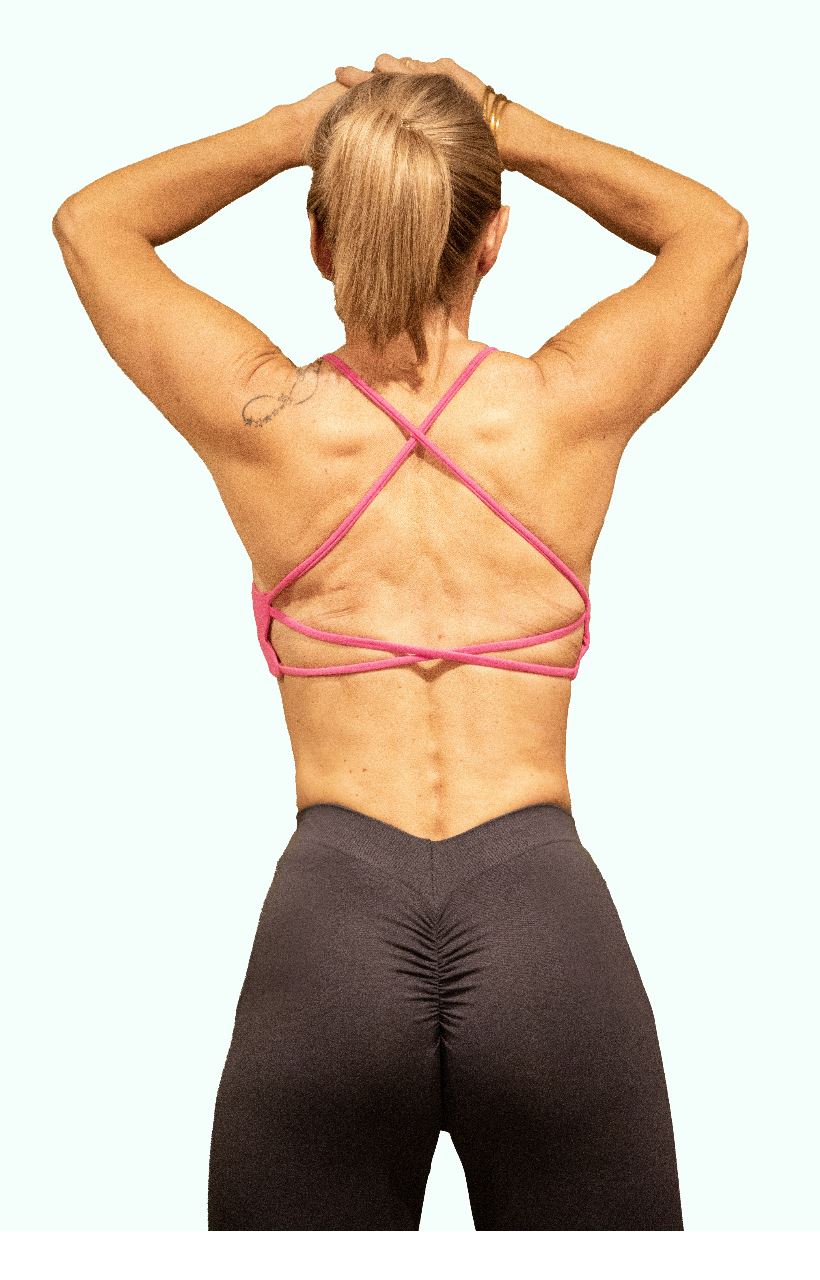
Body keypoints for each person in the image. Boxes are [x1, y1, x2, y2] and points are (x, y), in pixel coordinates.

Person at [52, 52, 748, 1231]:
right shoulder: (563, 406)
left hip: (332, 927)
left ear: (321, 244)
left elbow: (92, 222)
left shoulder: (268, 420)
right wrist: (502, 124)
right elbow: (712, 232)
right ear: (493, 241)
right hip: (544, 925)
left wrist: (294, 130)